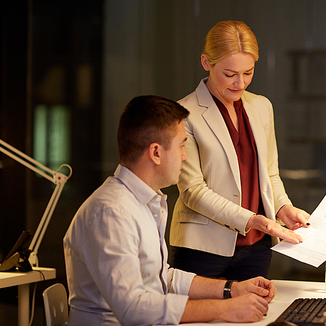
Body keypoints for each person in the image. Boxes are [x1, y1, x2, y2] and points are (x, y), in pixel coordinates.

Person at [63, 95, 276, 326]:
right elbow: (133, 309)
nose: (185, 156)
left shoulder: (143, 201)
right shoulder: (111, 212)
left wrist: (232, 289)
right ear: (156, 153)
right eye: (182, 145)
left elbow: (162, 277)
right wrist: (225, 309)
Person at [170, 20, 310, 282]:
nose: (240, 83)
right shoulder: (183, 113)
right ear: (205, 62)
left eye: (248, 72)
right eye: (230, 73)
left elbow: (270, 175)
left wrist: (283, 207)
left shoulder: (261, 107)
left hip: (256, 247)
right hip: (202, 248)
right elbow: (192, 192)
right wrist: (251, 219)